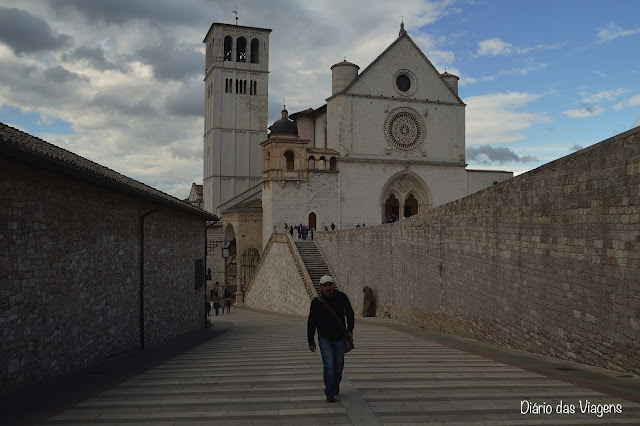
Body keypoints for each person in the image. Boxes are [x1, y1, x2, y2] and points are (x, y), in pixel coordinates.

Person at [307, 275, 354, 403]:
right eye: (325, 286)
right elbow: (311, 322)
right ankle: (330, 392)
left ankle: (335, 385)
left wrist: (350, 329)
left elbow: (350, 313)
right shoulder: (317, 302)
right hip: (324, 338)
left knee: (339, 366)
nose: (328, 288)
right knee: (329, 366)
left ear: (332, 285)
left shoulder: (342, 297)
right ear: (321, 287)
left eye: (330, 285)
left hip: (340, 337)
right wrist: (311, 341)